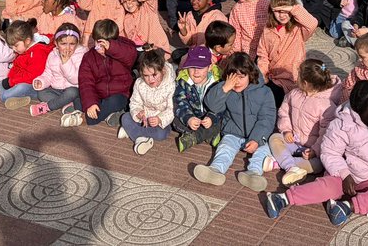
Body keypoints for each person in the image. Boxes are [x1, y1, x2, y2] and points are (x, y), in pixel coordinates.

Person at [263, 80, 368, 227]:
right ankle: (282, 198)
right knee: (325, 188)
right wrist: (345, 175)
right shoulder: (342, 124)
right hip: (342, 175)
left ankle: (346, 206)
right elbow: (330, 153)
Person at [192, 51, 277, 190]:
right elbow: (212, 105)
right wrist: (224, 88)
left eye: (241, 77)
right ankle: (215, 170)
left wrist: (256, 139)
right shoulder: (227, 89)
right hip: (233, 132)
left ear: (250, 75)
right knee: (225, 148)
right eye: (233, 77)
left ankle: (253, 173)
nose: (236, 82)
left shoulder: (264, 92)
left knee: (264, 150)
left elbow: (267, 119)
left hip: (257, 135)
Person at [269, 58, 342, 185]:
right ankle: (290, 167)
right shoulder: (294, 94)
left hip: (311, 150)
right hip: (293, 140)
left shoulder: (327, 105)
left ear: (306, 83)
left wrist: (315, 150)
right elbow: (283, 111)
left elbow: (327, 133)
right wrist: (286, 130)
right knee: (275, 138)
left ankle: (282, 163)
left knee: (318, 165)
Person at [117, 48, 176, 155]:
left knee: (162, 134)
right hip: (143, 119)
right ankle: (141, 139)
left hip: (158, 121)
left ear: (162, 71)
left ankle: (133, 133)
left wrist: (159, 119)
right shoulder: (140, 83)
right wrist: (138, 112)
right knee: (125, 117)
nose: (150, 79)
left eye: (154, 75)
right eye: (146, 76)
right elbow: (135, 102)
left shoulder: (170, 85)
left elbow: (171, 109)